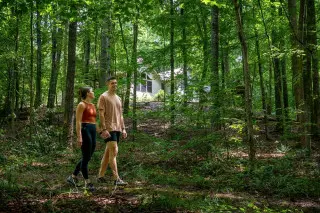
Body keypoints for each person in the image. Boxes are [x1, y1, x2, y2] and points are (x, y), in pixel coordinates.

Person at [97, 76, 128, 186]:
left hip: (118, 128)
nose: (114, 85)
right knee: (114, 151)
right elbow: (100, 114)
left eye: (115, 83)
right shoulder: (103, 96)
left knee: (108, 153)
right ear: (107, 84)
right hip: (109, 128)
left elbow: (121, 115)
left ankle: (100, 176)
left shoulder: (119, 98)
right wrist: (104, 129)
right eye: (112, 83)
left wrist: (124, 128)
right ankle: (116, 178)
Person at [67, 86, 97, 192]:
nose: (93, 93)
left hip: (93, 130)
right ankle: (88, 183)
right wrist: (79, 136)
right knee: (86, 157)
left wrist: (100, 131)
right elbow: (78, 121)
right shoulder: (81, 105)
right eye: (92, 91)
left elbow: (94, 120)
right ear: (88, 93)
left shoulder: (93, 105)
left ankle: (73, 176)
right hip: (85, 130)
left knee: (87, 157)